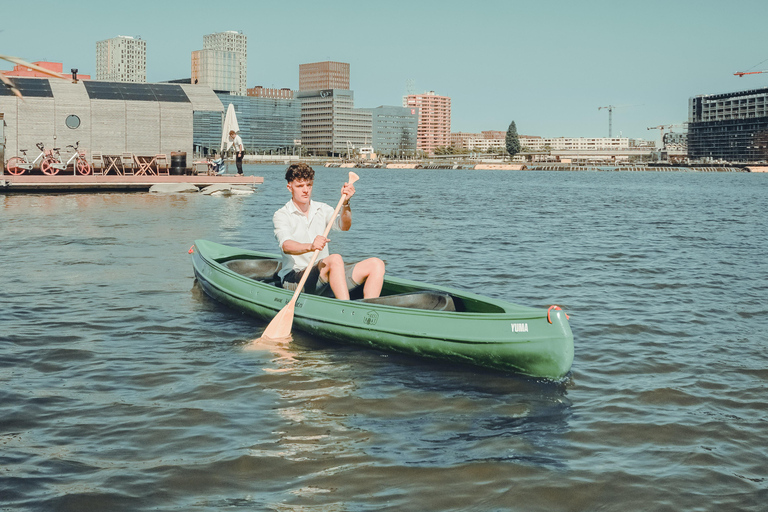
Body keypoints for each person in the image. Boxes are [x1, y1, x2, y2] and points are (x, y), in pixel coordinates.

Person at [273, 163, 385, 300]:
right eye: (300, 186)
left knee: (376, 264)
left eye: (309, 185)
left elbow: (344, 225)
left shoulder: (322, 208)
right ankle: (345, 308)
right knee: (335, 259)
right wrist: (311, 246)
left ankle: (368, 312)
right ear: (289, 187)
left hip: (325, 273)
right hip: (295, 278)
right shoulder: (282, 214)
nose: (305, 190)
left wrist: (346, 203)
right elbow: (286, 246)